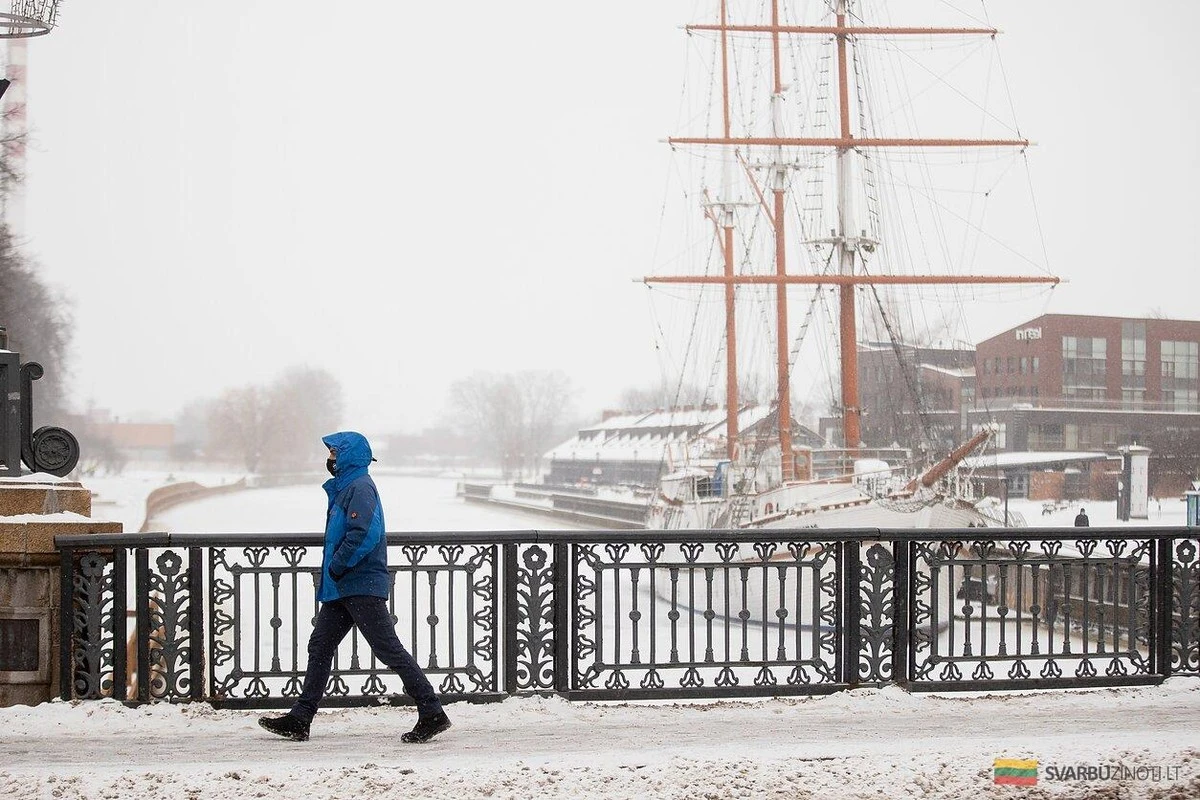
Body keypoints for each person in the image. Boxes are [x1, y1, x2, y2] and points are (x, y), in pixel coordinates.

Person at [259, 431, 451, 743]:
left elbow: (364, 532)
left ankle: (432, 711)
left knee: (388, 649)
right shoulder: (348, 486)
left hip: (359, 583)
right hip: (344, 586)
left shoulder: (360, 487)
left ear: (348, 456)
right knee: (320, 645)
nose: (330, 458)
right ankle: (300, 718)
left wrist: (337, 564)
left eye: (334, 453)